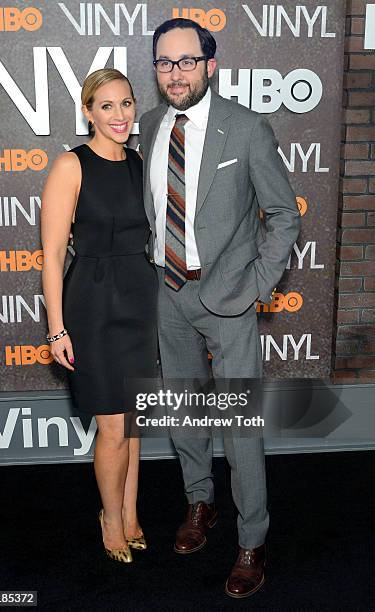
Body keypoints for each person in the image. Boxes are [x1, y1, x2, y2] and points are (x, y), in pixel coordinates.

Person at [139, 18, 301, 597]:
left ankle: (252, 539)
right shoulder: (152, 125)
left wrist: (259, 284)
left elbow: (284, 215)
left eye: (186, 61)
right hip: (168, 291)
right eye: (164, 63)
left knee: (238, 426)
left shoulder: (248, 128)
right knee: (184, 413)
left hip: (229, 297)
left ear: (210, 65)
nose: (174, 73)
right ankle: (199, 503)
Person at [41, 68, 158, 564]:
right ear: (87, 111)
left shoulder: (139, 164)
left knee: (131, 423)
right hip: (92, 305)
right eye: (106, 106)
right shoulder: (71, 165)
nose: (119, 115)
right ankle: (110, 520)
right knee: (112, 426)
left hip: (141, 301)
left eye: (127, 103)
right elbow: (50, 256)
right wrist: (56, 327)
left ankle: (131, 516)